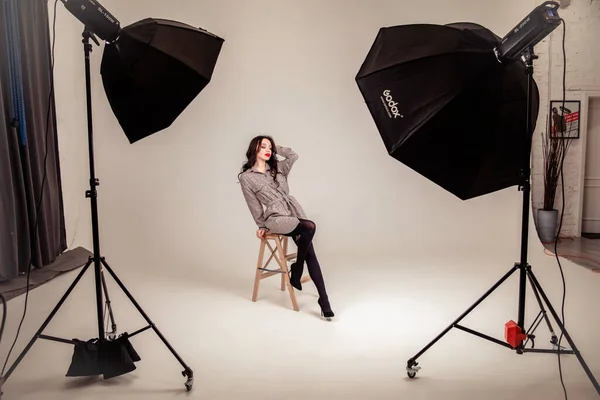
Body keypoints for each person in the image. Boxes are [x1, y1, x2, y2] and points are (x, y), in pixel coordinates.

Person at [238, 135, 334, 320]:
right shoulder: (247, 178)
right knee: (310, 227)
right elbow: (254, 206)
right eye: (263, 147)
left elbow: (293, 156)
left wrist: (276, 148)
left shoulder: (278, 168)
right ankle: (297, 269)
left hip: (293, 212)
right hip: (275, 218)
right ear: (254, 150)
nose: (267, 150)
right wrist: (261, 226)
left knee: (310, 251)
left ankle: (324, 300)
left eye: (269, 147)